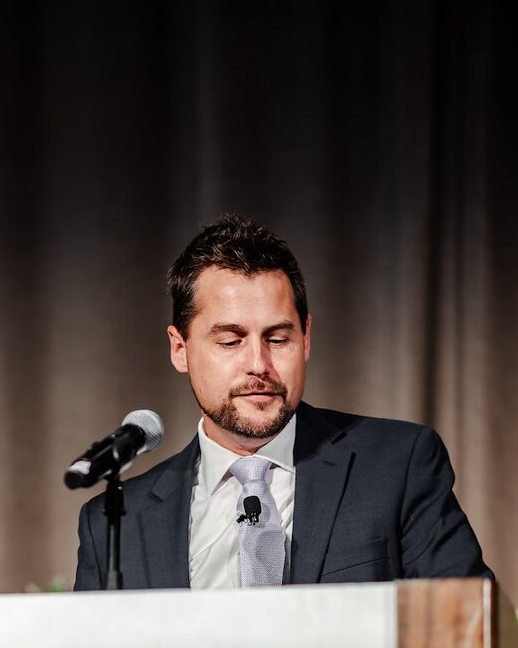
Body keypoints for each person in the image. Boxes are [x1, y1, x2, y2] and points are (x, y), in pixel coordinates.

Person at [74, 214, 491, 590]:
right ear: (180, 349)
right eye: (230, 341)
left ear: (305, 338)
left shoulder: (397, 465)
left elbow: (470, 629)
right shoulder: (114, 524)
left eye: (278, 339)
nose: (259, 364)